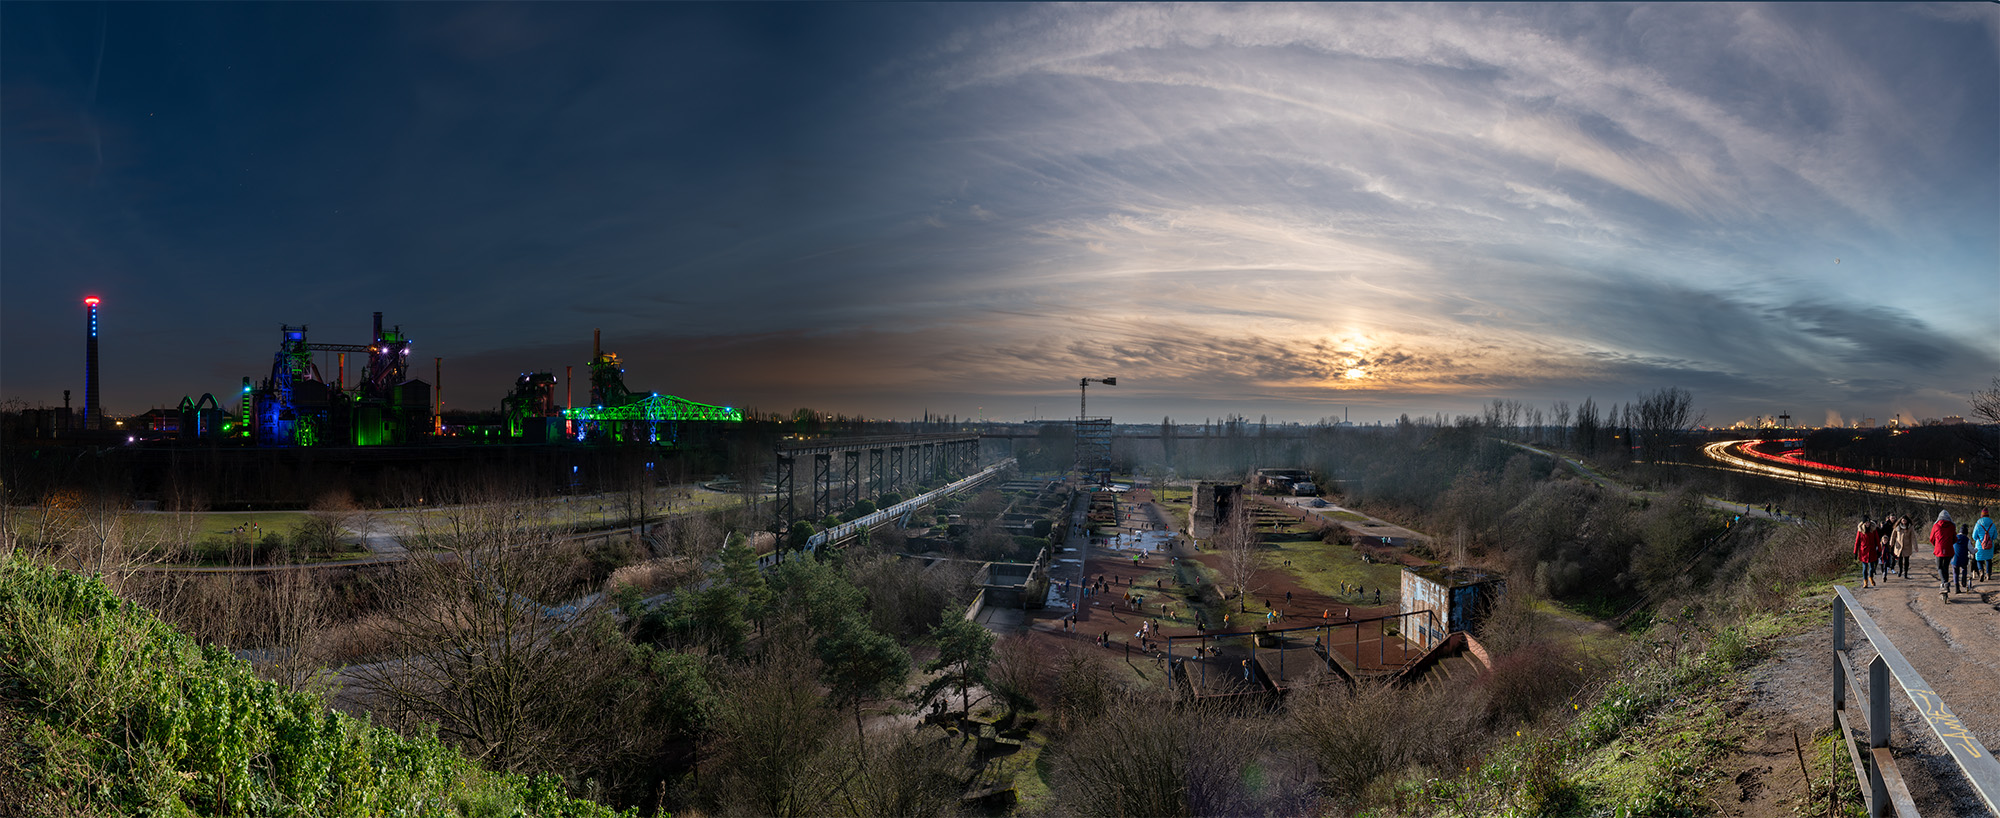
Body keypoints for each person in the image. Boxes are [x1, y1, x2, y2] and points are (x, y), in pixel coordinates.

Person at [1931, 510, 1957, 601]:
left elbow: (1931, 538)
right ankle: (1946, 586)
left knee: (1939, 567)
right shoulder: (1952, 526)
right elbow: (1955, 539)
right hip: (1949, 550)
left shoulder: (1936, 525)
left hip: (1939, 549)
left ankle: (1944, 583)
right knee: (1945, 567)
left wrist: (1937, 544)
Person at [1853, 518, 1880, 588]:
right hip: (1863, 552)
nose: (1867, 524)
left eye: (1868, 523)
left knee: (1871, 567)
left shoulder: (1873, 530)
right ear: (1863, 523)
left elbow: (1877, 540)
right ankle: (1865, 582)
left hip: (1872, 551)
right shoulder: (1860, 531)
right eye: (1866, 523)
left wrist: (1879, 550)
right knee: (1864, 568)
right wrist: (1855, 552)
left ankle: (1871, 577)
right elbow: (1857, 542)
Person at [1972, 507, 1995, 584]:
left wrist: (1979, 540)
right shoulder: (1992, 524)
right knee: (1988, 559)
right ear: (1988, 515)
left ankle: (1981, 571)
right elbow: (1995, 536)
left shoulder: (1978, 524)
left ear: (1981, 515)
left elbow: (1974, 536)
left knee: (1979, 560)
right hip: (1990, 545)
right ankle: (1988, 574)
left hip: (1980, 545)